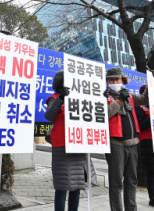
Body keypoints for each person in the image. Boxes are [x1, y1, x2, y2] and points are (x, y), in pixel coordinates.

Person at [44, 70, 97, 211]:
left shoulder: (81, 98)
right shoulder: (54, 98)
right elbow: (49, 115)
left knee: (77, 186)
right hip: (62, 148)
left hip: (78, 146)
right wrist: (61, 98)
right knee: (62, 187)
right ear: (60, 84)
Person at [103, 67, 149, 211]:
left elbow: (144, 99)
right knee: (116, 182)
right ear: (107, 81)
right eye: (112, 79)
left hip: (133, 143)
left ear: (122, 80)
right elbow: (106, 114)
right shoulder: (104, 96)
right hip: (115, 143)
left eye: (117, 79)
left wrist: (151, 85)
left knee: (132, 180)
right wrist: (120, 101)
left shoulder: (129, 94)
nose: (115, 82)